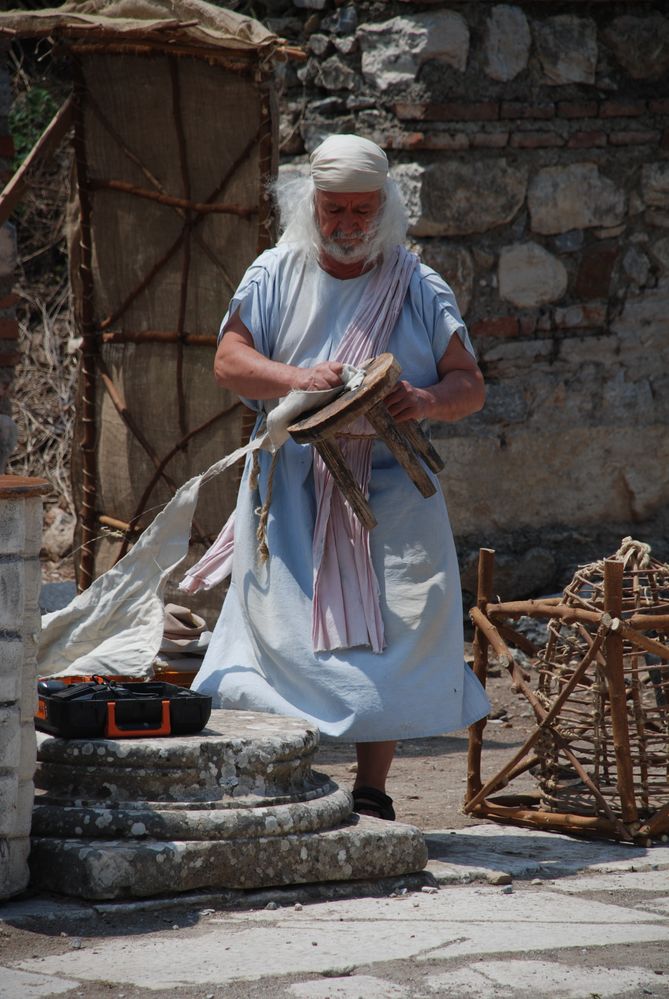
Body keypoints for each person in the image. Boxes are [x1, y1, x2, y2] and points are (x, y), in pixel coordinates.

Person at [190, 134, 490, 821]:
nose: (348, 225)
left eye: (362, 210)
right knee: (281, 631)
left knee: (386, 635)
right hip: (292, 487)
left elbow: (468, 383)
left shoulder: (416, 284)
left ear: (384, 208)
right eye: (334, 210)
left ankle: (372, 791)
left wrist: (424, 401)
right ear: (310, 205)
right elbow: (230, 362)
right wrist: (297, 377)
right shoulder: (273, 274)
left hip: (390, 490)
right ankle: (281, 783)